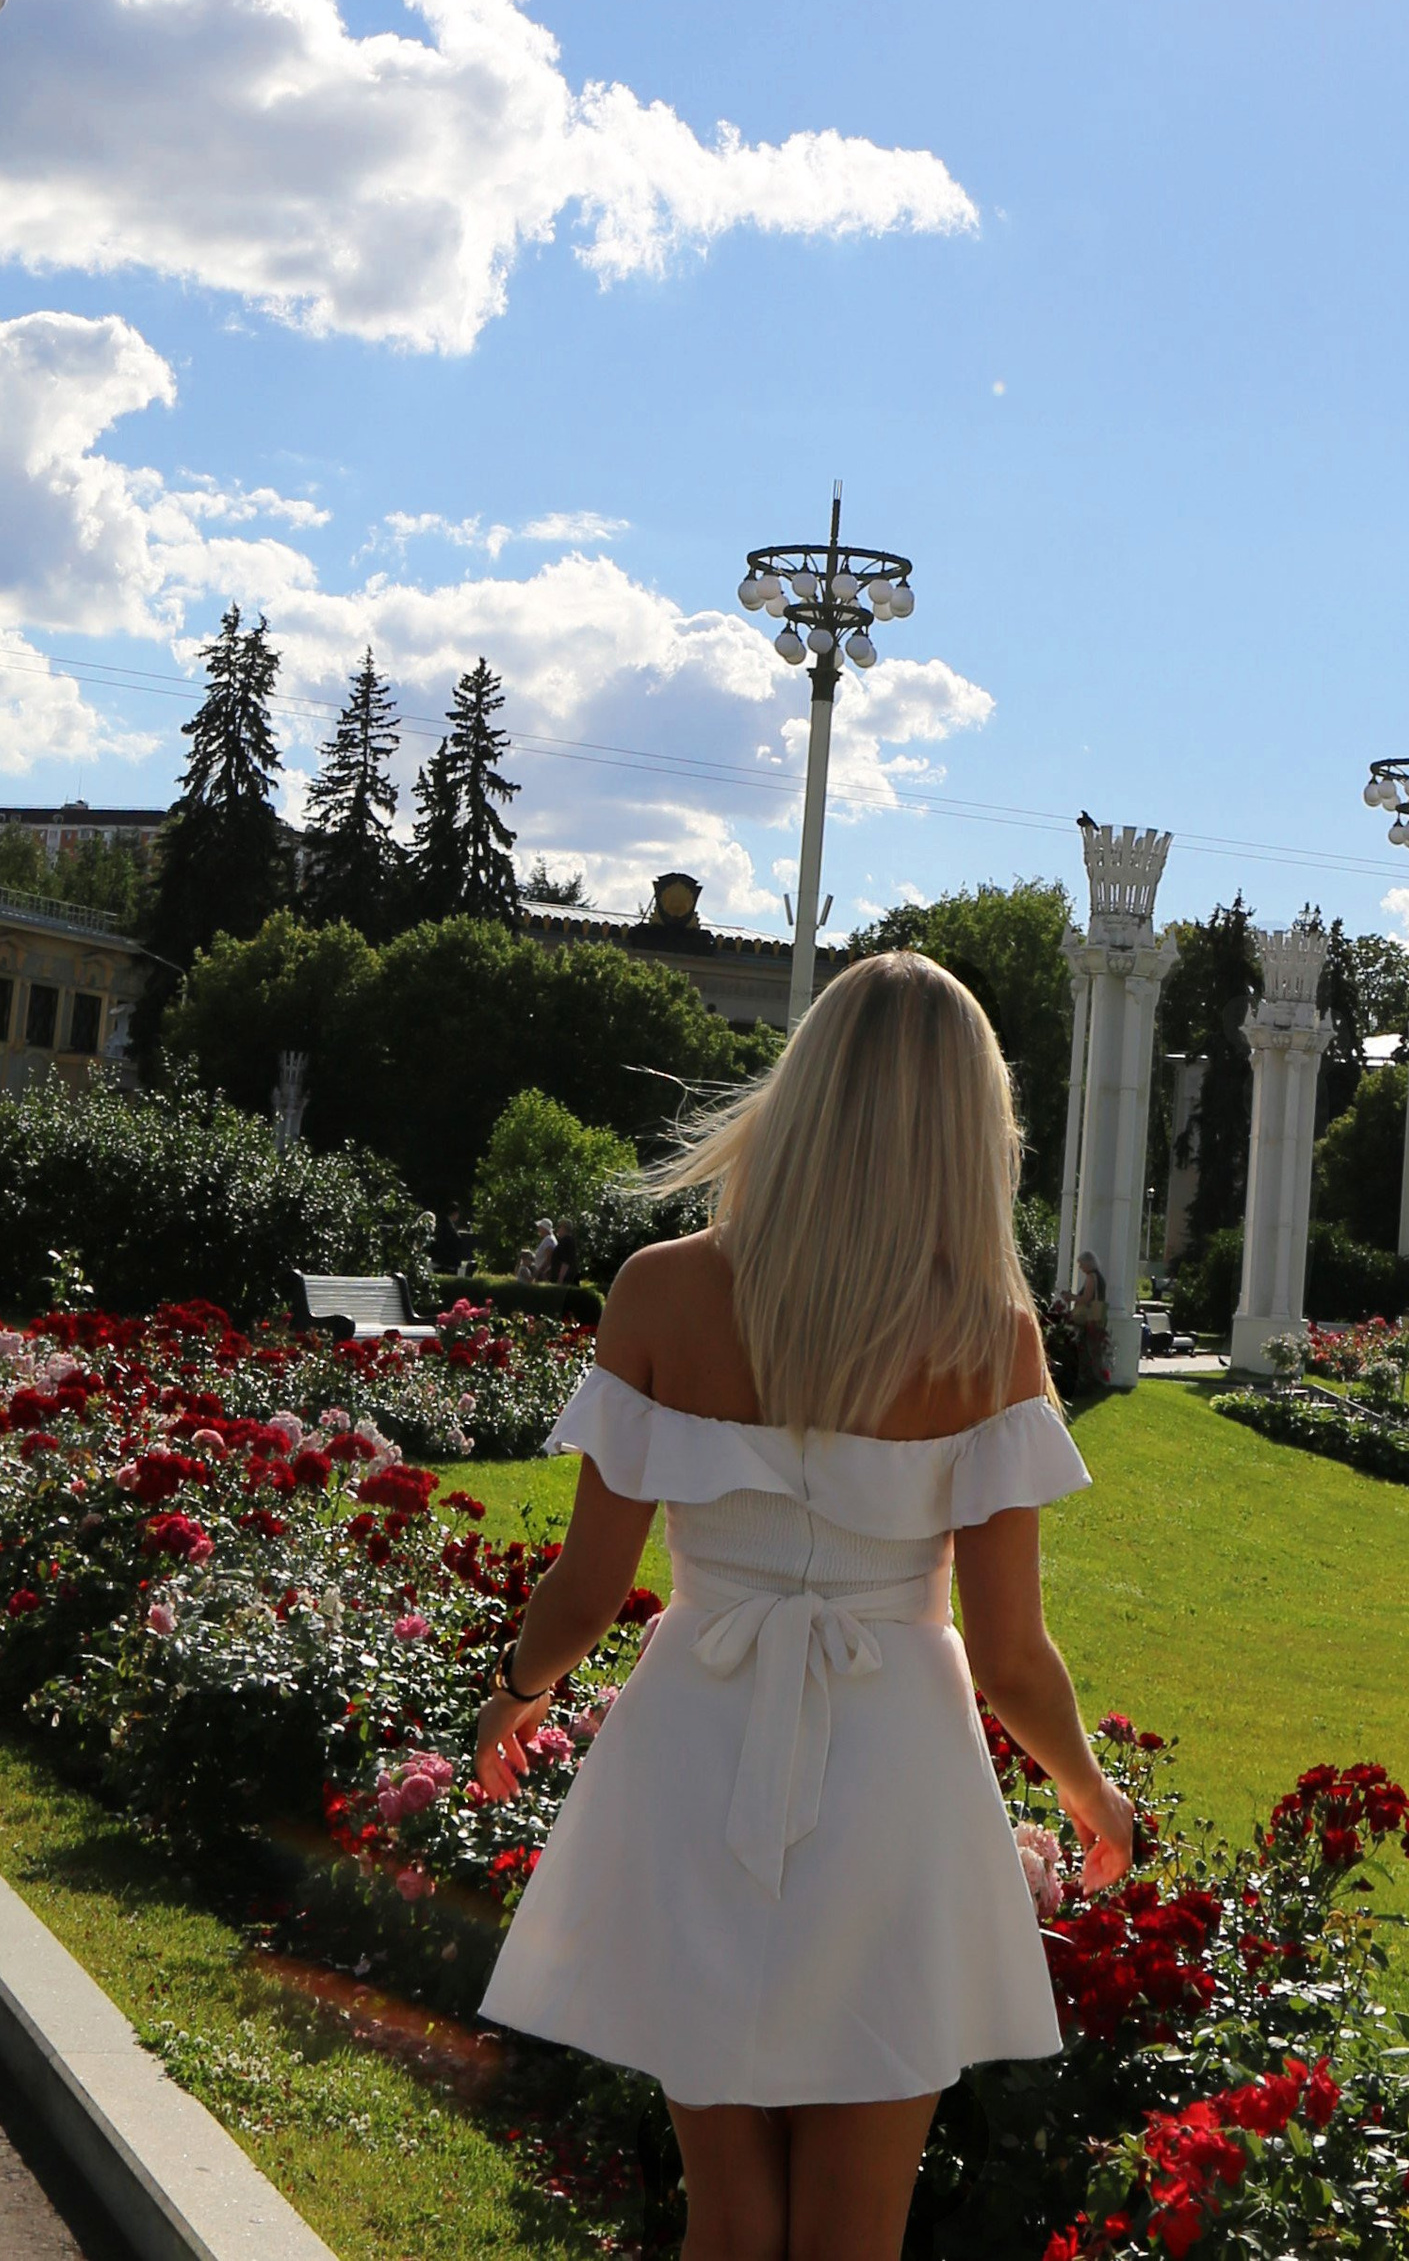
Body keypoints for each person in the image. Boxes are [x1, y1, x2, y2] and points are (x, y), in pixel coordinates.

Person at [474, 952, 1134, 2261]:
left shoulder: (660, 1291)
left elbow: (589, 1586)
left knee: (727, 2207)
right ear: (968, 1128)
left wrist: (516, 1694)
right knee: (854, 2227)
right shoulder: (989, 1333)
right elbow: (1008, 1655)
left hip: (694, 1749)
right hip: (897, 1776)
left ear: (803, 1089)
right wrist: (1089, 1789)